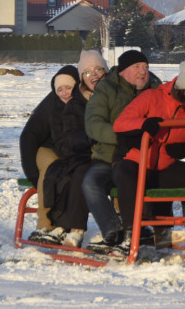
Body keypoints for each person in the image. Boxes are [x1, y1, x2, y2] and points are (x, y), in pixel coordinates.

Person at [112, 52, 185, 251]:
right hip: (136, 163)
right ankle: (130, 234)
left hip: (164, 166)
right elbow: (120, 124)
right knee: (127, 175)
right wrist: (144, 123)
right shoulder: (151, 97)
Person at [83, 50, 161, 255]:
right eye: (137, 67)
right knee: (91, 183)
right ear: (123, 71)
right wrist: (125, 137)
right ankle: (113, 232)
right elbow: (93, 124)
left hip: (146, 156)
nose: (143, 72)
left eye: (145, 67)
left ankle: (156, 229)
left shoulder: (156, 88)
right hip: (109, 157)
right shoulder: (107, 89)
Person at [34, 52, 110, 249]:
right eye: (87, 72)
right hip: (85, 157)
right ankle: (71, 229)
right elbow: (69, 137)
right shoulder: (75, 103)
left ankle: (133, 230)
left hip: (112, 156)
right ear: (82, 78)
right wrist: (93, 137)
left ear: (106, 71)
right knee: (75, 173)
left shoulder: (116, 96)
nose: (94, 75)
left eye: (98, 69)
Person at [20, 65, 78, 241]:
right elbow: (28, 136)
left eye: (68, 88)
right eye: (59, 89)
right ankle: (45, 225)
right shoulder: (49, 106)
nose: (64, 93)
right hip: (48, 148)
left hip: (73, 151)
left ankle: (71, 226)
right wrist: (31, 173)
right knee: (51, 169)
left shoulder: (84, 103)